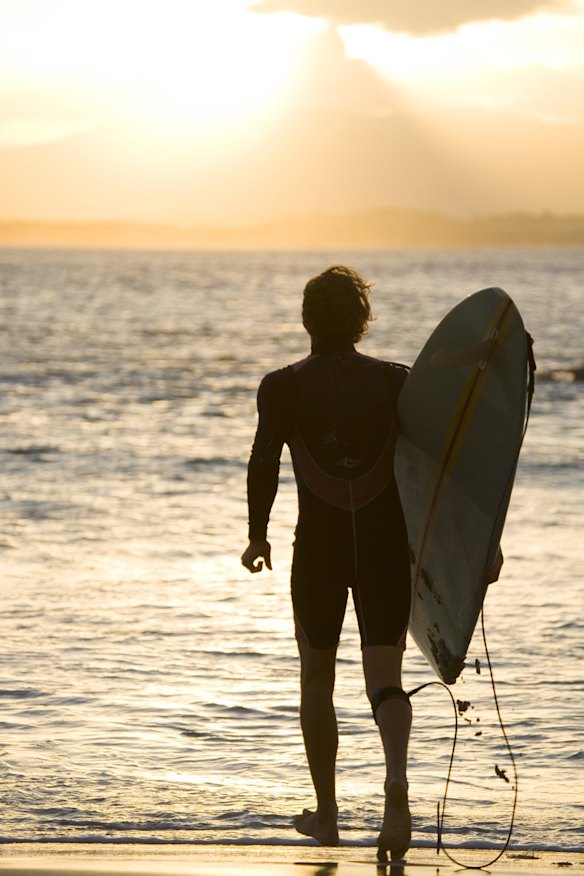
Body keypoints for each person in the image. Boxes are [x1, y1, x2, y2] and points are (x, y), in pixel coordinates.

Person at [241, 266, 412, 862]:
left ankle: (329, 814)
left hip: (318, 546)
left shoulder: (282, 386)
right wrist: (473, 545)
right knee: (385, 678)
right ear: (362, 321)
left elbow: (263, 462)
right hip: (388, 545)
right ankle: (395, 787)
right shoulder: (398, 383)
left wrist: (256, 535)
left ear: (308, 320)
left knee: (317, 677)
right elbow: (438, 470)